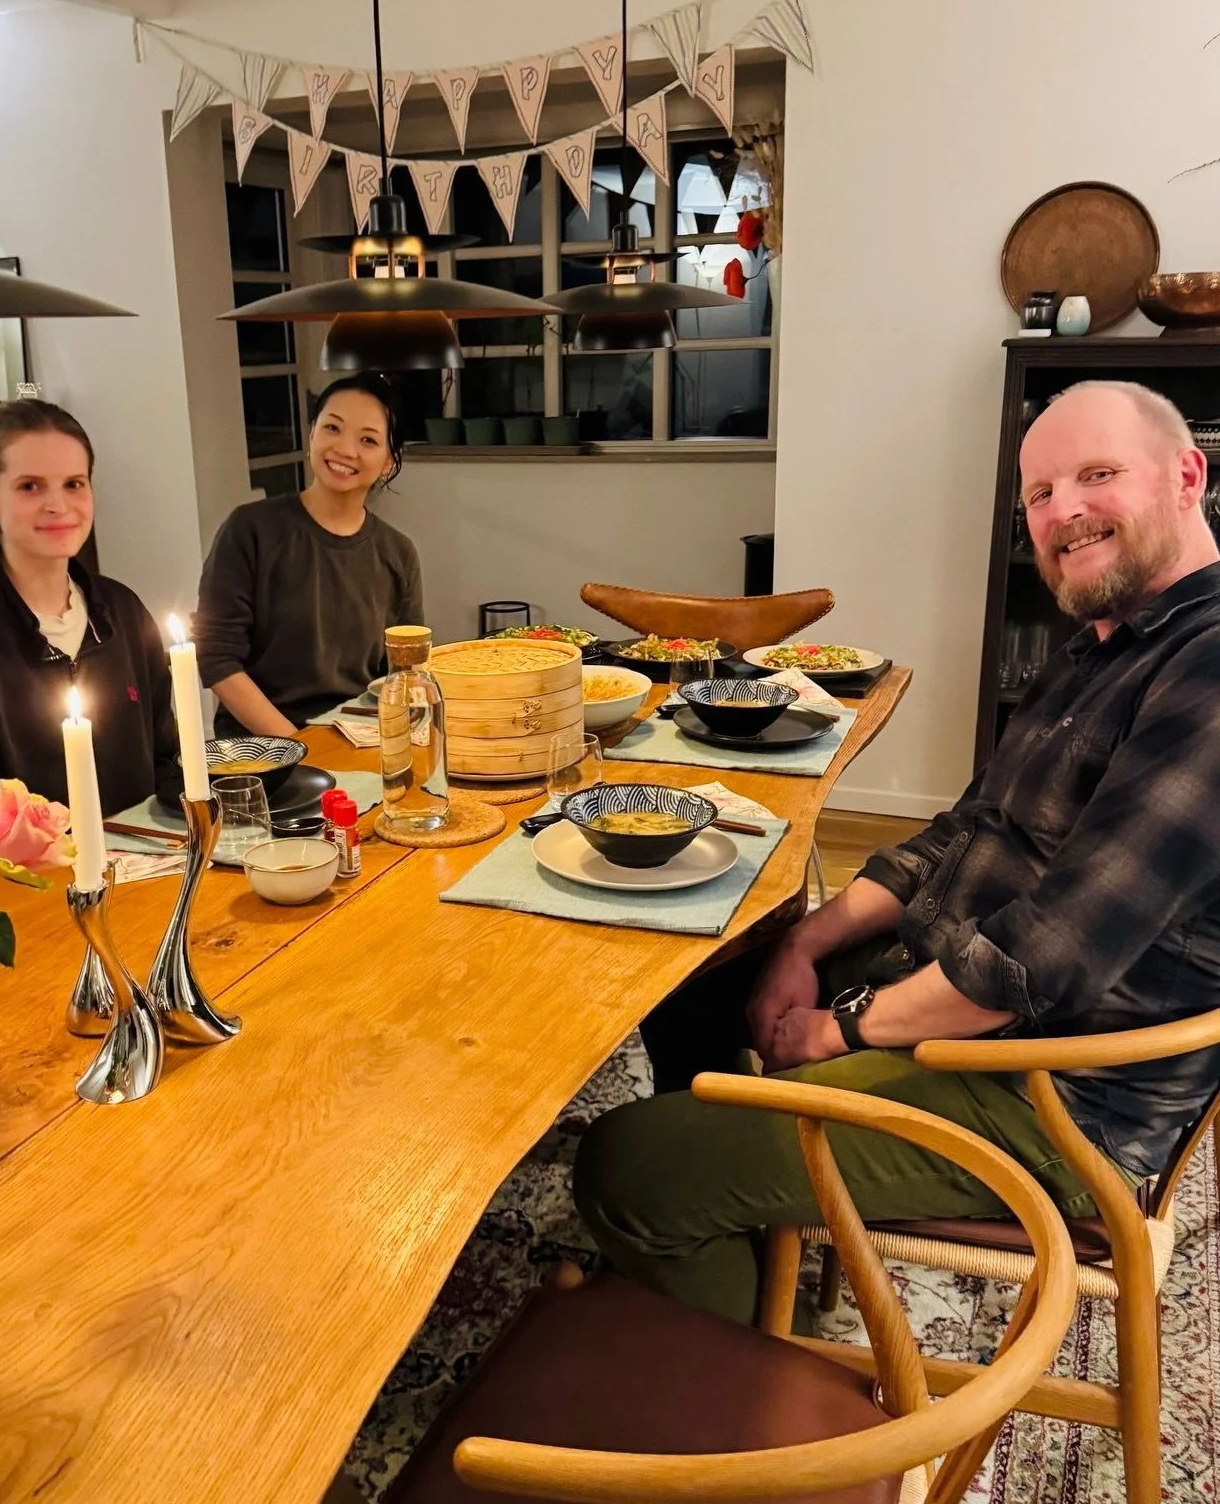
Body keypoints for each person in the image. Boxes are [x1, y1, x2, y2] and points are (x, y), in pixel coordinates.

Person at [575, 380, 1220, 1326]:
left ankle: (749, 1383)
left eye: (1097, 475)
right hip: (970, 1006)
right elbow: (962, 832)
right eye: (1041, 493)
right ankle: (744, 1213)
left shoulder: (1206, 671)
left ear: (1187, 477)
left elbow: (1041, 961)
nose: (1064, 512)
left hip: (1054, 1095)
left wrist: (841, 1029)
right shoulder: (1103, 645)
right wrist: (799, 945)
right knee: (699, 962)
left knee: (630, 1168)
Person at [0, 399, 182, 826]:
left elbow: (165, 761)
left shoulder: (123, 613)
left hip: (148, 858)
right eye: (30, 486)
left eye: (74, 484)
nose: (58, 505)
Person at [194, 373, 423, 735]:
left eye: (367, 439)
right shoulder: (251, 529)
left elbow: (404, 673)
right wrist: (300, 746)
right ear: (312, 433)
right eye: (333, 428)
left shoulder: (398, 552)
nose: (346, 449)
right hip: (264, 747)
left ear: (389, 462)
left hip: (360, 739)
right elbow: (216, 656)